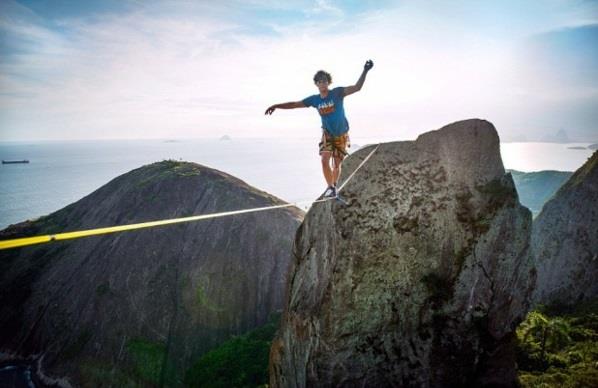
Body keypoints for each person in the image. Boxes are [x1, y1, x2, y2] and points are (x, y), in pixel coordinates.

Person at [265, 59, 374, 198]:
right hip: (327, 134)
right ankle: (330, 188)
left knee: (337, 165)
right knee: (324, 160)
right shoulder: (315, 100)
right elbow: (294, 104)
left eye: (325, 81)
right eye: (320, 81)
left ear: (329, 82)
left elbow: (357, 87)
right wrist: (275, 105)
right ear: (316, 84)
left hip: (341, 135)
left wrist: (365, 70)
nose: (323, 83)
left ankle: (334, 185)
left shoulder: (337, 93)